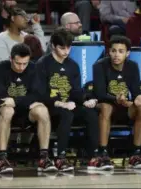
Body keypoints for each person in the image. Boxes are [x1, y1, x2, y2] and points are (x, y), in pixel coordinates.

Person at [36, 27, 104, 171]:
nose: (66, 51)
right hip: (51, 106)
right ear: (53, 46)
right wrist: (61, 103)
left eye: (68, 47)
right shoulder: (43, 64)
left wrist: (85, 100)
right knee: (66, 114)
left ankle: (94, 156)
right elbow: (40, 94)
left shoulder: (72, 65)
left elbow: (75, 92)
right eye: (62, 48)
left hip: (70, 105)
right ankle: (61, 157)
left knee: (91, 113)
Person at [0, 43, 57, 173]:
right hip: (6, 110)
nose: (21, 67)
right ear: (11, 59)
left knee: (42, 110)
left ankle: (44, 157)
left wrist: (15, 101)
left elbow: (39, 94)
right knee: (8, 110)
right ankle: (2, 158)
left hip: (26, 111)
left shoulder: (34, 68)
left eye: (25, 63)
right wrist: (27, 101)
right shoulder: (0, 68)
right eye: (18, 63)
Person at [93, 35, 141, 169]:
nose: (116, 55)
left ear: (127, 53)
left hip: (125, 106)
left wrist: (138, 98)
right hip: (106, 104)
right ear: (109, 52)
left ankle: (136, 153)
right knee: (106, 107)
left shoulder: (133, 66)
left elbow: (135, 93)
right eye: (113, 51)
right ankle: (103, 153)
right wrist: (116, 99)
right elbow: (99, 94)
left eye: (121, 51)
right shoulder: (99, 66)